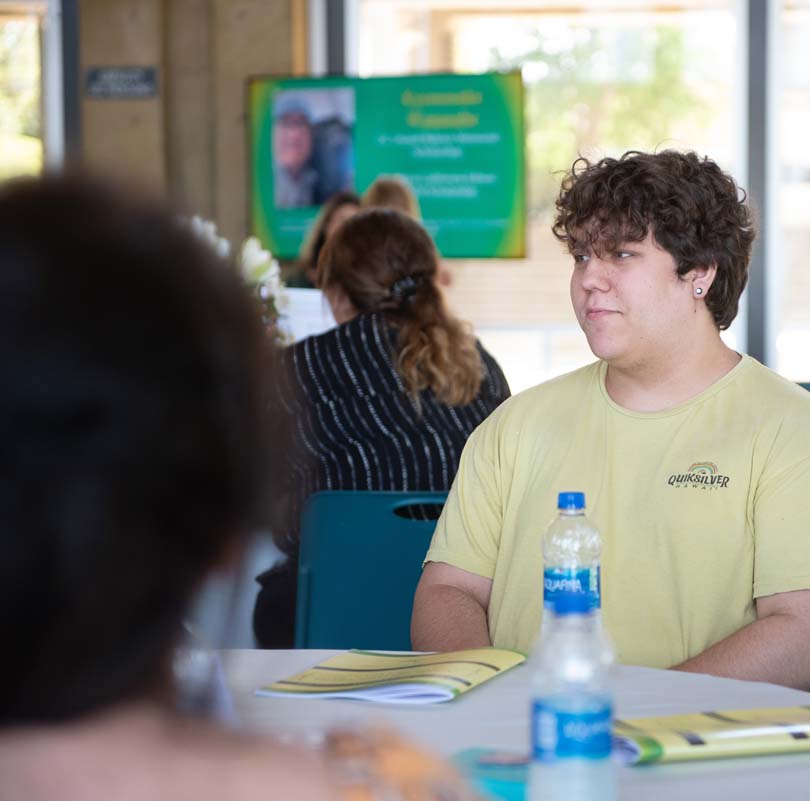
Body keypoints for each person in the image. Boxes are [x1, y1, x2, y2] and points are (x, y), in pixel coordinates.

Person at [0, 175, 477, 801]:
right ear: (222, 524)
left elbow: (290, 527)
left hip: (323, 608)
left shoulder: (305, 367)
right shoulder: (480, 364)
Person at [411, 150, 810, 692]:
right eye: (582, 256)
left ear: (700, 273)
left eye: (621, 254)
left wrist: (635, 716)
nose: (591, 278)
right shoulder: (514, 424)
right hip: (527, 745)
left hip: (712, 758)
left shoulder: (799, 435)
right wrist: (490, 700)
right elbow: (449, 591)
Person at [253, 208, 511, 648]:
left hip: (331, 613)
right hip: (469, 616)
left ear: (335, 293)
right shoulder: (478, 363)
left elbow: (251, 489)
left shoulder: (296, 370)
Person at [289, 189, 359, 287]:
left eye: (354, 223)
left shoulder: (369, 279)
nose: (348, 229)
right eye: (342, 220)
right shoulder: (300, 277)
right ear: (326, 225)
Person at [273, 96, 319, 209]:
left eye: (301, 124)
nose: (294, 134)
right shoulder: (262, 183)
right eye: (286, 124)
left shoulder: (319, 183)